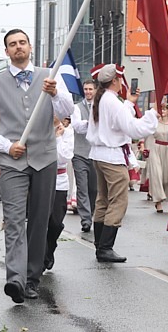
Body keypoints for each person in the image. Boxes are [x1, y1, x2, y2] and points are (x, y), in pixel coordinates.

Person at [0, 28, 74, 303]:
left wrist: (55, 94)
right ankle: (16, 280)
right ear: (6, 51)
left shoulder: (50, 76)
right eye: (12, 44)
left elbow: (68, 111)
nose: (18, 47)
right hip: (13, 161)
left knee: (40, 221)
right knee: (14, 220)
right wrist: (6, 146)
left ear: (30, 47)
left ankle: (32, 278)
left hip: (45, 157)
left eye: (22, 42)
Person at [87, 64, 158, 263]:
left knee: (103, 199)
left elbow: (116, 121)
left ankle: (100, 244)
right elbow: (132, 128)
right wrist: (152, 115)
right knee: (118, 200)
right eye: (121, 79)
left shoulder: (101, 99)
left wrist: (128, 103)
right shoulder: (112, 101)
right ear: (115, 81)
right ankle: (105, 247)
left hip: (100, 154)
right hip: (111, 156)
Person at [44, 117, 74, 271]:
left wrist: (58, 137)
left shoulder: (68, 133)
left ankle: (50, 247)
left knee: (56, 223)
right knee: (41, 222)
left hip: (60, 181)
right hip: (41, 180)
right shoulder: (41, 128)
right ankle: (41, 256)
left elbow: (63, 157)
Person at [70, 80, 98, 232]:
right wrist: (91, 122)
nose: (87, 92)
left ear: (95, 90)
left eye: (90, 89)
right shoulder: (76, 108)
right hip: (79, 153)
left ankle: (91, 212)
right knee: (82, 188)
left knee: (93, 189)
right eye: (85, 89)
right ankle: (85, 220)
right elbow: (77, 127)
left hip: (95, 153)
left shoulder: (100, 107)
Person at [147, 104, 168, 213]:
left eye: (164, 109)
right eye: (161, 109)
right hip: (156, 149)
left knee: (166, 177)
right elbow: (146, 134)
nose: (162, 111)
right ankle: (158, 201)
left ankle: (165, 195)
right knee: (156, 175)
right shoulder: (154, 123)